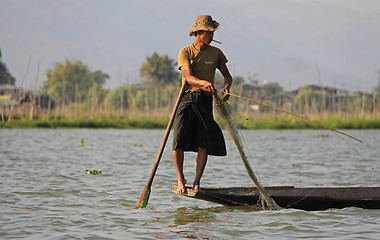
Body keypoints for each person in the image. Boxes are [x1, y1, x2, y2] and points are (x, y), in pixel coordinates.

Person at [173, 15, 233, 194]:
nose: (212, 35)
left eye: (213, 32)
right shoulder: (185, 52)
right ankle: (181, 179)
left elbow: (227, 75)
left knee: (203, 143)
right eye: (209, 32)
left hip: (205, 100)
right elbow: (188, 77)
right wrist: (202, 82)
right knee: (178, 141)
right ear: (199, 33)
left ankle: (197, 182)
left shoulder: (216, 53)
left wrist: (227, 87)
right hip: (187, 98)